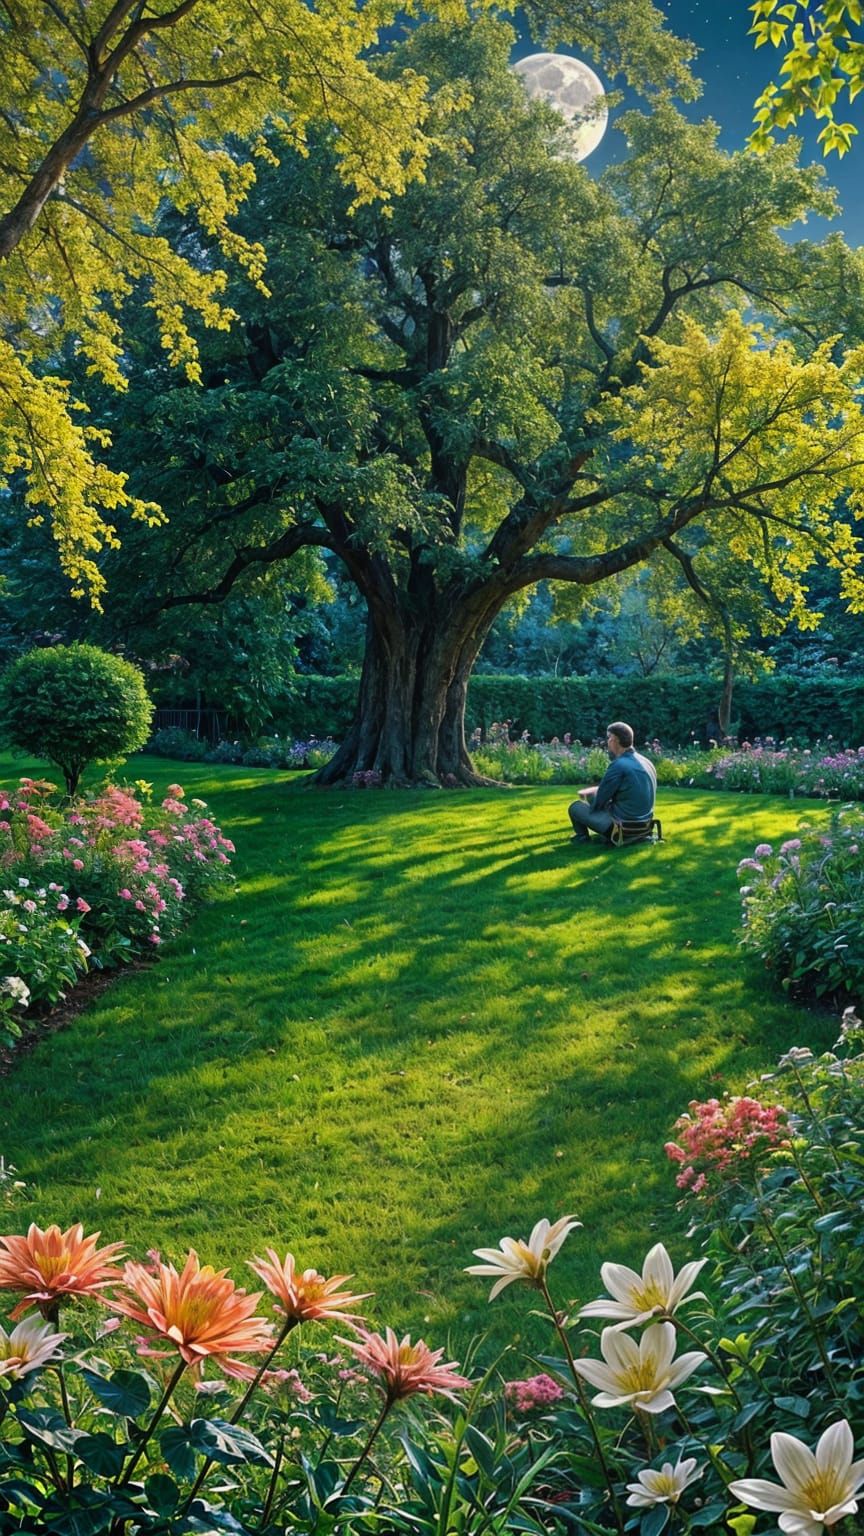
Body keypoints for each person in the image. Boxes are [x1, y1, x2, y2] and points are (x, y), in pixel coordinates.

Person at [568, 721, 656, 843]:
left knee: (575, 807)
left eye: (609, 738)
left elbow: (599, 801)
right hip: (645, 826)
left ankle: (582, 837)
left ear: (615, 740)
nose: (607, 742)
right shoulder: (647, 762)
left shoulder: (618, 765)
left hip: (623, 828)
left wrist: (589, 796)